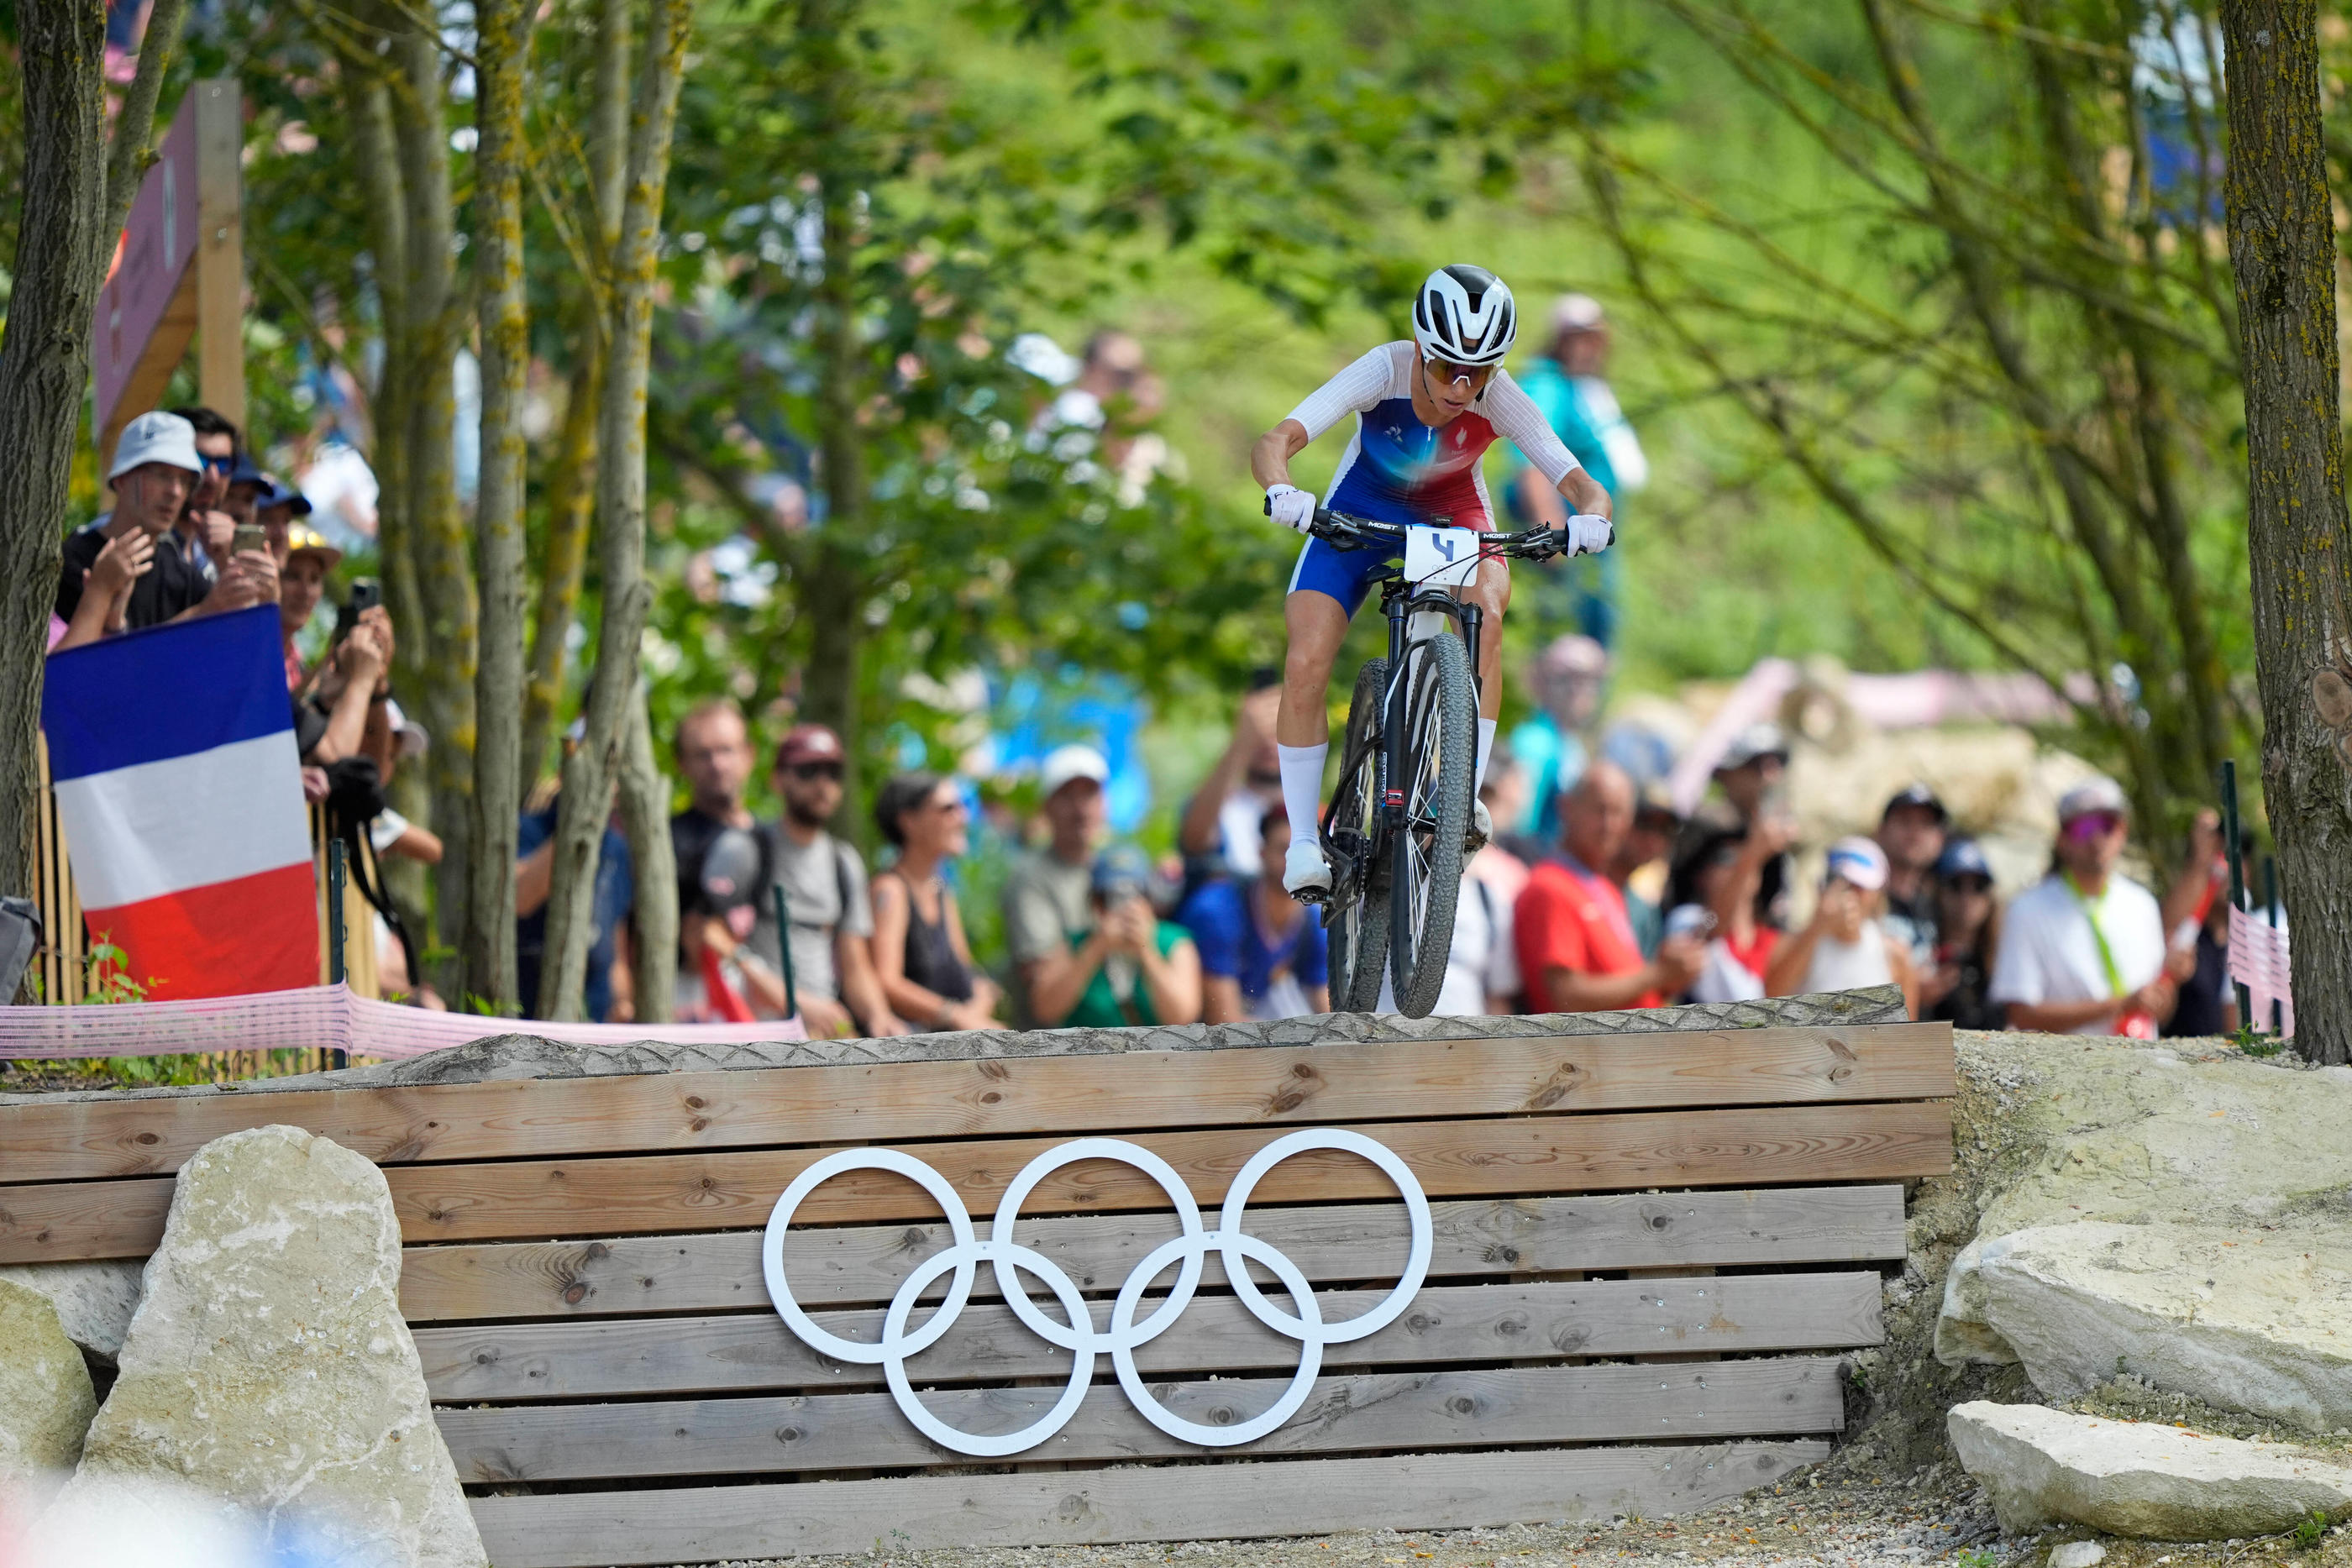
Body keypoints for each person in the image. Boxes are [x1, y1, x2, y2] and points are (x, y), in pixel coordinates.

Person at [1252, 264, 1614, 899]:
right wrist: (1282, 487)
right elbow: (1278, 438)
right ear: (1420, 350)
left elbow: (1580, 481)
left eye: (1480, 373)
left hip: (1454, 515)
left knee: (1490, 612)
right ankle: (1306, 843)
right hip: (1360, 512)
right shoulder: (1383, 367)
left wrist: (1591, 518)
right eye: (1448, 369)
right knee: (1307, 657)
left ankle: (1461, 795)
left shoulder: (1496, 394)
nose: (1462, 387)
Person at [1501, 295, 1647, 648]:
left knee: (1591, 640)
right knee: (1563, 646)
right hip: (1565, 546)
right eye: (1577, 338)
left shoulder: (1585, 386)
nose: (1588, 347)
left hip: (1590, 547)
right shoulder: (1548, 384)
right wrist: (1550, 539)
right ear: (1559, 340)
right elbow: (1532, 463)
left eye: (1595, 338)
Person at [55, 412, 273, 635]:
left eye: (185, 480)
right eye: (162, 475)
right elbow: (96, 665)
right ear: (121, 479)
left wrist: (262, 588)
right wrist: (206, 611)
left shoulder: (185, 577)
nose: (175, 492)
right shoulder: (70, 563)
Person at [1988, 778, 2173, 1036]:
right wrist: (2119, 1006)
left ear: (2122, 833)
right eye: (2084, 828)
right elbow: (2021, 1015)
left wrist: (2165, 993)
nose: (2097, 838)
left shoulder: (2144, 904)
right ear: (2062, 839)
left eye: (2108, 826)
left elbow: (2158, 1008)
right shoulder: (2026, 910)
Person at [1515, 760, 1704, 1013]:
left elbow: (1623, 981)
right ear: (1566, 808)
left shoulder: (1603, 886)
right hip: (1585, 1049)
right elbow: (1565, 997)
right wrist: (1658, 974)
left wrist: (1670, 976)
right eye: (1600, 810)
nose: (1610, 825)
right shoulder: (1549, 886)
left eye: (1620, 813)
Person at [870, 772, 1002, 1033]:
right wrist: (955, 1015)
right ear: (909, 822)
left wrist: (980, 1003)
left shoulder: (941, 890)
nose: (963, 817)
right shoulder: (891, 890)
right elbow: (887, 980)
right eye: (947, 809)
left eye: (962, 807)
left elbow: (967, 970)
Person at [1180, 807, 1330, 1023]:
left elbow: (1331, 1014)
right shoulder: (1217, 911)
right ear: (1262, 853)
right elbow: (1223, 1021)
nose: (1298, 862)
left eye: (1309, 852)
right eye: (1284, 850)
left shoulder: (1313, 919)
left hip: (1247, 1024)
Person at [1030, 845, 1202, 1028]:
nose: (1123, 906)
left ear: (1148, 897)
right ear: (1094, 901)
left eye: (1134, 894)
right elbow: (1044, 1010)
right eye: (1109, 897)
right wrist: (1095, 949)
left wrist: (1146, 951)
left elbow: (1183, 1017)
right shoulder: (1073, 944)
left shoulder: (1175, 942)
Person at [1002, 744, 1111, 1026]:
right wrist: (1103, 941)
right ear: (1046, 807)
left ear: (1105, 802)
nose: (1081, 809)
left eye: (1090, 794)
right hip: (1053, 1048)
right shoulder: (1029, 878)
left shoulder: (1118, 867)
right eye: (1067, 796)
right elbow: (1044, 992)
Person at [1767, 836, 1919, 1012]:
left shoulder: (1896, 955)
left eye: (1859, 887)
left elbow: (1909, 1030)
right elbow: (1769, 1001)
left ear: (1877, 894)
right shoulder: (1793, 943)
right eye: (1841, 884)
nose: (1849, 895)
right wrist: (1816, 928)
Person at [1675, 721, 1793, 929]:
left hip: (1749, 949)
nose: (1768, 776)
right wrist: (1752, 853)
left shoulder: (1777, 833)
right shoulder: (1709, 824)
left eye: (1776, 764)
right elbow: (1697, 911)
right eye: (1757, 765)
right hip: (1701, 937)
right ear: (1729, 772)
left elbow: (1774, 914)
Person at [1664, 821, 1788, 1004]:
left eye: (1755, 862)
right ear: (1701, 876)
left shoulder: (1773, 940)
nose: (1739, 865)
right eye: (1726, 857)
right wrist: (1751, 855)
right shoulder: (1686, 918)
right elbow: (1714, 928)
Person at [1176, 682, 1284, 889]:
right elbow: (1193, 841)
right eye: (1262, 731)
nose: (1269, 742)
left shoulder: (1317, 815)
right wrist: (1241, 742)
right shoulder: (1222, 806)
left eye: (1281, 729)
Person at [1507, 635, 1609, 845]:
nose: (1581, 691)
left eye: (1592, 681)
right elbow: (1518, 825)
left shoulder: (1572, 746)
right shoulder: (1534, 742)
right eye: (1571, 679)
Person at [2160, 810, 2236, 1039]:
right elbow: (2167, 925)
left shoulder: (2246, 932)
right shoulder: (2187, 930)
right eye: (2222, 854)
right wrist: (2201, 859)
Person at [1921, 837, 2005, 1030]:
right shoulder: (1923, 957)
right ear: (1938, 892)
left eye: (1979, 886)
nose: (1967, 897)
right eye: (1956, 885)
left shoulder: (2003, 958)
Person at [1877, 784, 1949, 968]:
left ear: (1940, 839)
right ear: (1882, 831)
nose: (1915, 833)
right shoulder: (1860, 898)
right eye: (1905, 821)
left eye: (1926, 824)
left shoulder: (1944, 903)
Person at [1613, 782, 1683, 961]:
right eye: (1644, 823)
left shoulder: (1645, 911)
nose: (1653, 838)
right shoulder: (1580, 882)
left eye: (1664, 830)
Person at [276, 527, 341, 690]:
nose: (305, 592)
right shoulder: (246, 650)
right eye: (292, 576)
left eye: (314, 579)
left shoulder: (295, 659)